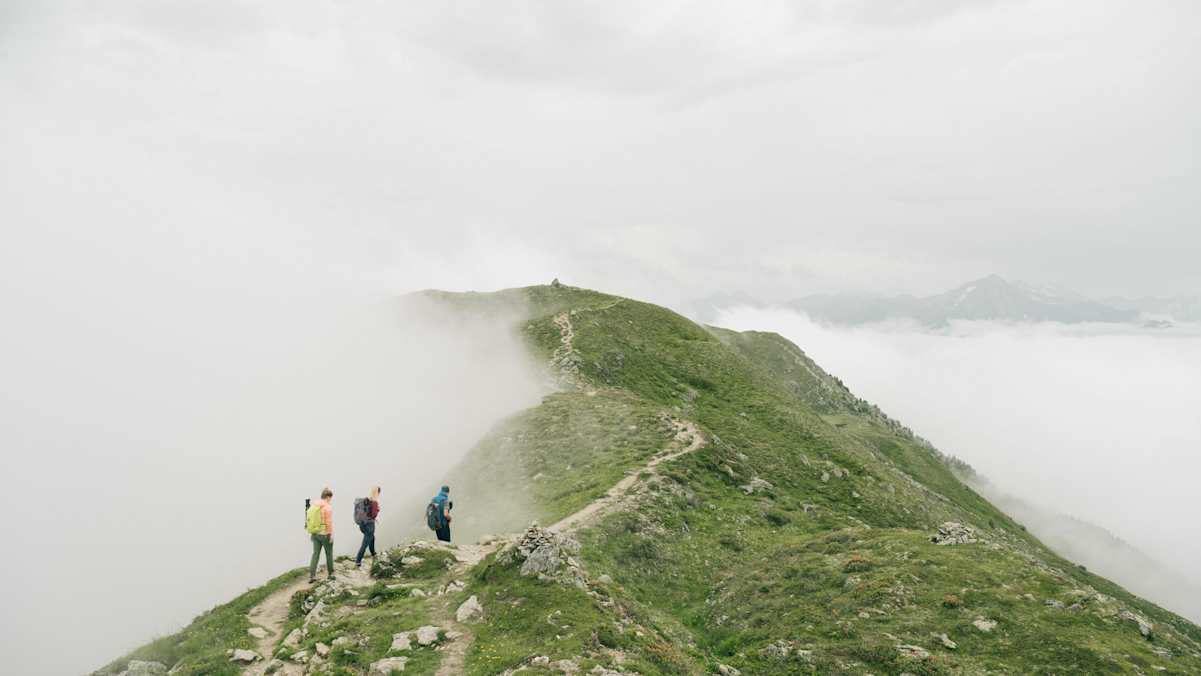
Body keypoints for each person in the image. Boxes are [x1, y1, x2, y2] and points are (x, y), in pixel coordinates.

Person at [306, 487, 335, 583]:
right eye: (330, 498)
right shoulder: (327, 507)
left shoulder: (314, 504)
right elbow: (329, 522)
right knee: (329, 553)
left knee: (315, 554)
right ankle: (331, 574)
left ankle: (312, 576)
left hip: (314, 533)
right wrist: (331, 535)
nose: (330, 500)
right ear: (327, 497)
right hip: (324, 534)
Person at [354, 486, 381, 568]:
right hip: (369, 525)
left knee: (372, 538)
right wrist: (378, 509)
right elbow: (373, 515)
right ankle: (358, 561)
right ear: (377, 493)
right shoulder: (374, 502)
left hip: (362, 524)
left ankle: (373, 554)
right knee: (365, 543)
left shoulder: (366, 500)